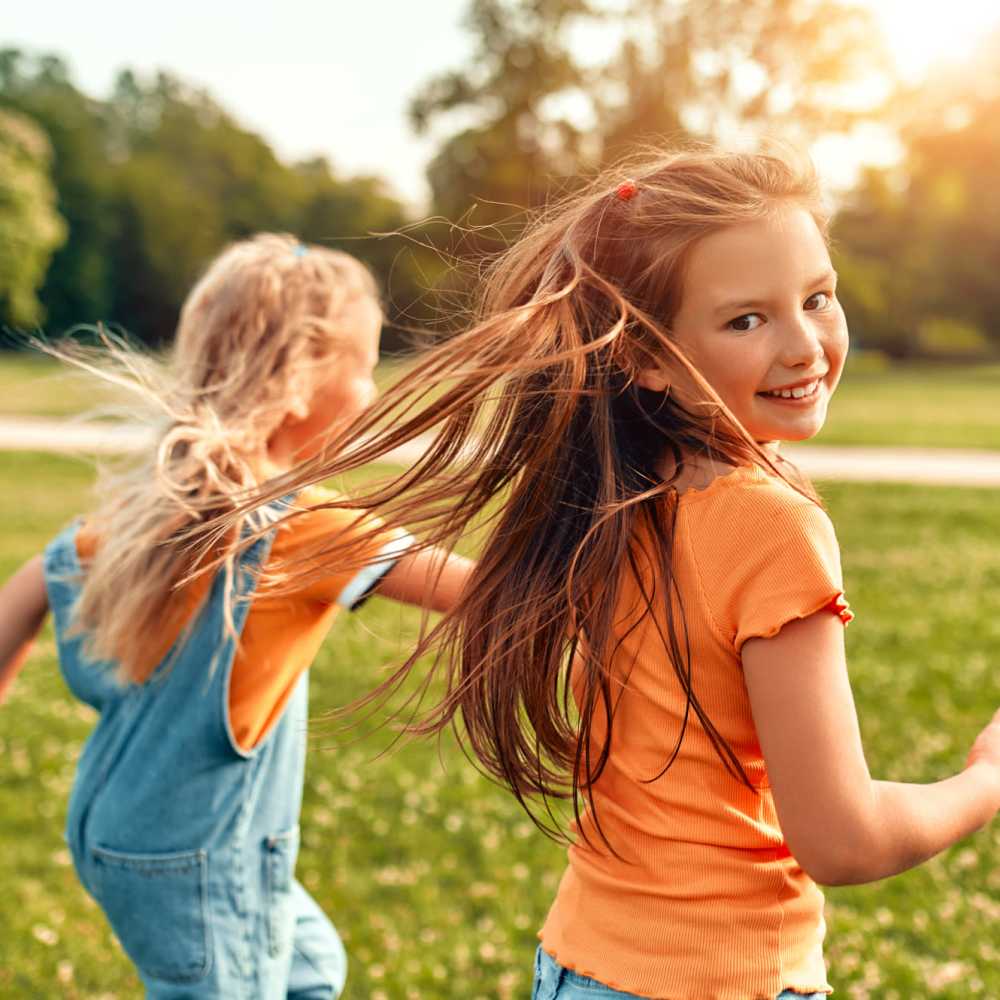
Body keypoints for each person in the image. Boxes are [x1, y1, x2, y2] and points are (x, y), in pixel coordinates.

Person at [213, 150, 1000, 999]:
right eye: (746, 321)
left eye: (817, 297)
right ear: (650, 359)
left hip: (580, 963)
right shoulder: (773, 529)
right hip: (719, 980)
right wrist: (983, 781)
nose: (805, 344)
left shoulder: (611, 493)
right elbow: (843, 840)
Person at [0, 233, 471, 999]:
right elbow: (484, 592)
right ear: (299, 382)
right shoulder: (302, 527)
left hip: (120, 837)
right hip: (202, 860)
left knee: (309, 969)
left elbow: (30, 585)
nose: (372, 395)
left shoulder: (143, 517)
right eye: (363, 369)